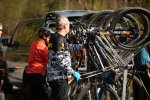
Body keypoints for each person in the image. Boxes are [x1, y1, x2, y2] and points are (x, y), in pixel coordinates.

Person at [47, 16, 83, 100]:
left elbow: (67, 47)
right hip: (59, 78)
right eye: (68, 24)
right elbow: (61, 62)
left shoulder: (55, 37)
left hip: (54, 77)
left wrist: (82, 46)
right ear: (65, 26)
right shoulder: (59, 39)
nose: (69, 26)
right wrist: (73, 72)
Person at [24, 27, 52, 100]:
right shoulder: (42, 47)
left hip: (29, 75)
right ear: (44, 36)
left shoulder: (34, 44)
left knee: (34, 97)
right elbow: (50, 59)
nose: (50, 40)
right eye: (49, 37)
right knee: (45, 96)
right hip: (37, 75)